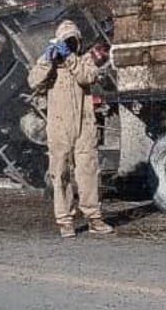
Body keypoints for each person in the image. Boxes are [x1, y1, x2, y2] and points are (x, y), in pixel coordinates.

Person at [27, 19, 112, 238]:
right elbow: (33, 82)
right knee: (60, 172)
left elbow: (87, 77)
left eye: (73, 41)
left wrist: (71, 58)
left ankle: (94, 217)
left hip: (84, 124)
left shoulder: (85, 61)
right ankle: (65, 221)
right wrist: (47, 61)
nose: (70, 45)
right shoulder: (49, 66)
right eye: (66, 42)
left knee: (88, 171)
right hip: (58, 125)